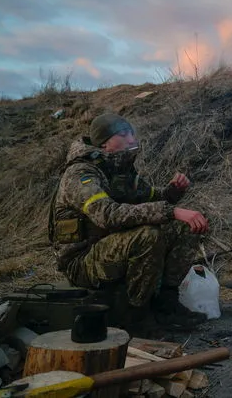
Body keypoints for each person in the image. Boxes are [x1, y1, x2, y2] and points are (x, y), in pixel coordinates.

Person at [49, 113, 209, 327]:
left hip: (110, 247)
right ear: (105, 143)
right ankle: (135, 317)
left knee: (184, 226)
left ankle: (166, 304)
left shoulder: (120, 171)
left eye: (131, 132)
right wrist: (171, 211)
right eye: (123, 134)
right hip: (82, 261)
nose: (132, 138)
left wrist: (173, 193)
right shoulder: (81, 174)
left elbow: (153, 198)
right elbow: (108, 215)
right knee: (148, 236)